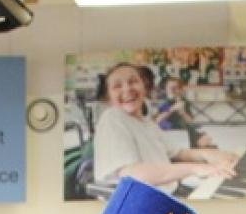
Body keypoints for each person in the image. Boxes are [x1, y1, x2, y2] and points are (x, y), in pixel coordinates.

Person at [92, 62, 238, 195]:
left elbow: (178, 153)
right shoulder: (113, 118)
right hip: (143, 205)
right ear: (108, 97)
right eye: (117, 86)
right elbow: (132, 174)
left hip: (169, 194)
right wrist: (196, 168)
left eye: (133, 81)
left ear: (144, 86)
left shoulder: (146, 122)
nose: (127, 89)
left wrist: (211, 155)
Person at [156, 77, 216, 150]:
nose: (171, 91)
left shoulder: (183, 102)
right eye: (169, 88)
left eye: (174, 88)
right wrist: (172, 109)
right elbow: (156, 121)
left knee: (207, 139)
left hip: (183, 129)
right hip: (167, 131)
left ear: (180, 90)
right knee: (204, 144)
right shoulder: (163, 102)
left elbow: (190, 121)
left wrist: (183, 112)